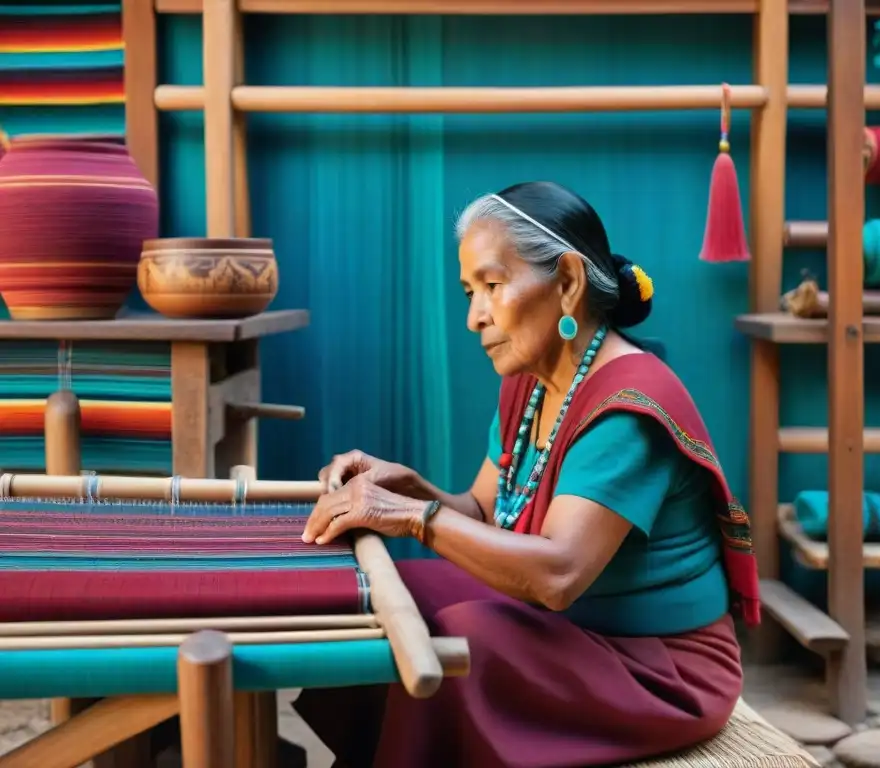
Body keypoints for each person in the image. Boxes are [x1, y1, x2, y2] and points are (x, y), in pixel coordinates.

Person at [294, 181, 761, 768]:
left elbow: (557, 574)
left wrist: (412, 517)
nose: (473, 317)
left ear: (566, 284)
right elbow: (490, 515)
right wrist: (411, 489)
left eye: (490, 286)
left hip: (655, 665)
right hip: (571, 626)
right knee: (387, 594)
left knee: (463, 640)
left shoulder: (628, 406)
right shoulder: (532, 382)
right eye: (469, 291)